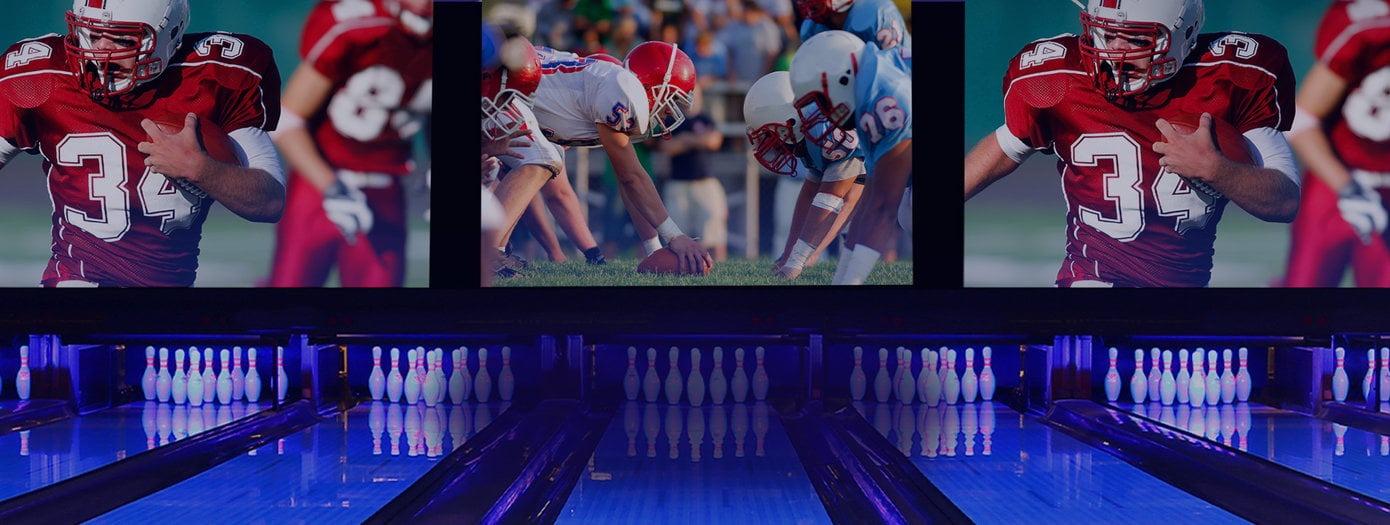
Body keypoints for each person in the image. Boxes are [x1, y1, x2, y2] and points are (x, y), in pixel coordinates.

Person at [965, 0, 1299, 287]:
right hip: (1091, 281)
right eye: (1108, 34)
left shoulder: (1232, 76)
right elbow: (1007, 145)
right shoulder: (1058, 80)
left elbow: (1284, 202)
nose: (1115, 52)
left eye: (1137, 38)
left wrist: (1216, 170)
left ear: (1184, 35)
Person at [0, 0, 284, 287]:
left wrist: (200, 169)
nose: (100, 53)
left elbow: (269, 202)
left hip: (169, 301)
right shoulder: (38, 78)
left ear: (170, 35)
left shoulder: (217, 75)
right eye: (92, 34)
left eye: (123, 39)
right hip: (75, 285)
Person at [268, 0, 432, 287]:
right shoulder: (357, 23)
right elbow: (287, 118)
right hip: (318, 186)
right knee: (286, 307)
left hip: (386, 190)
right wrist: (331, 187)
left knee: (377, 323)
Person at [1283, 0, 1390, 287]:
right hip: (1337, 183)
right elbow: (1302, 119)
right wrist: (1349, 189)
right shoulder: (1369, 25)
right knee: (1302, 308)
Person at [791, 30, 911, 285]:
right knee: (904, 210)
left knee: (905, 209)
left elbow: (880, 208)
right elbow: (869, 199)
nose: (823, 113)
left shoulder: (887, 98)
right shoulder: (869, 80)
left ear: (842, 79)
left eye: (822, 101)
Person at [745, 71, 866, 280]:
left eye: (770, 133)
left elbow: (834, 198)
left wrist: (796, 262)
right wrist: (789, 253)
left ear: (789, 119)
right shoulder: (808, 132)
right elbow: (809, 194)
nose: (771, 142)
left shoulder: (826, 127)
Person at [657, 85, 729, 261]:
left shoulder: (705, 118)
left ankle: (717, 268)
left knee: (713, 231)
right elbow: (667, 147)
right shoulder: (672, 120)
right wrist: (697, 141)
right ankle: (679, 268)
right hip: (677, 183)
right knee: (676, 234)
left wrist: (686, 140)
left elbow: (714, 141)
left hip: (705, 182)